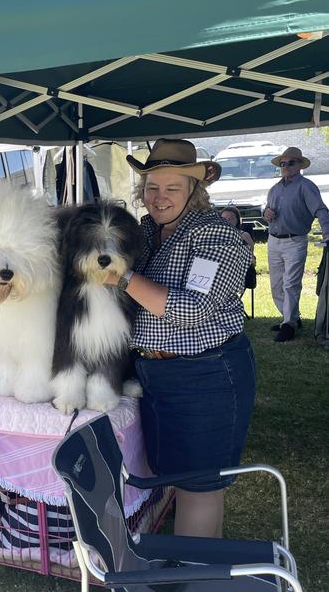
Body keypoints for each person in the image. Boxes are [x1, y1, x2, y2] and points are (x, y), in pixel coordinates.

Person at [104, 139, 256, 539]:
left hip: (204, 374)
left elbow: (191, 310)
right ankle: (192, 566)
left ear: (194, 190)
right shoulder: (147, 232)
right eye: (152, 187)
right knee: (176, 475)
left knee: (200, 486)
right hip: (156, 373)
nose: (159, 197)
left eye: (172, 188)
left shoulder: (214, 237)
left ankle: (193, 582)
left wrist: (121, 277)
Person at [263, 147, 329, 342]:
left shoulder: (306, 186)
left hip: (295, 241)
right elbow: (266, 210)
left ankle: (289, 324)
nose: (286, 166)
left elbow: (320, 209)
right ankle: (291, 317)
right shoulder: (275, 188)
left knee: (290, 284)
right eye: (283, 163)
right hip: (273, 240)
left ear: (300, 165)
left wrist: (326, 229)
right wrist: (266, 213)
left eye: (291, 163)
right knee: (276, 284)